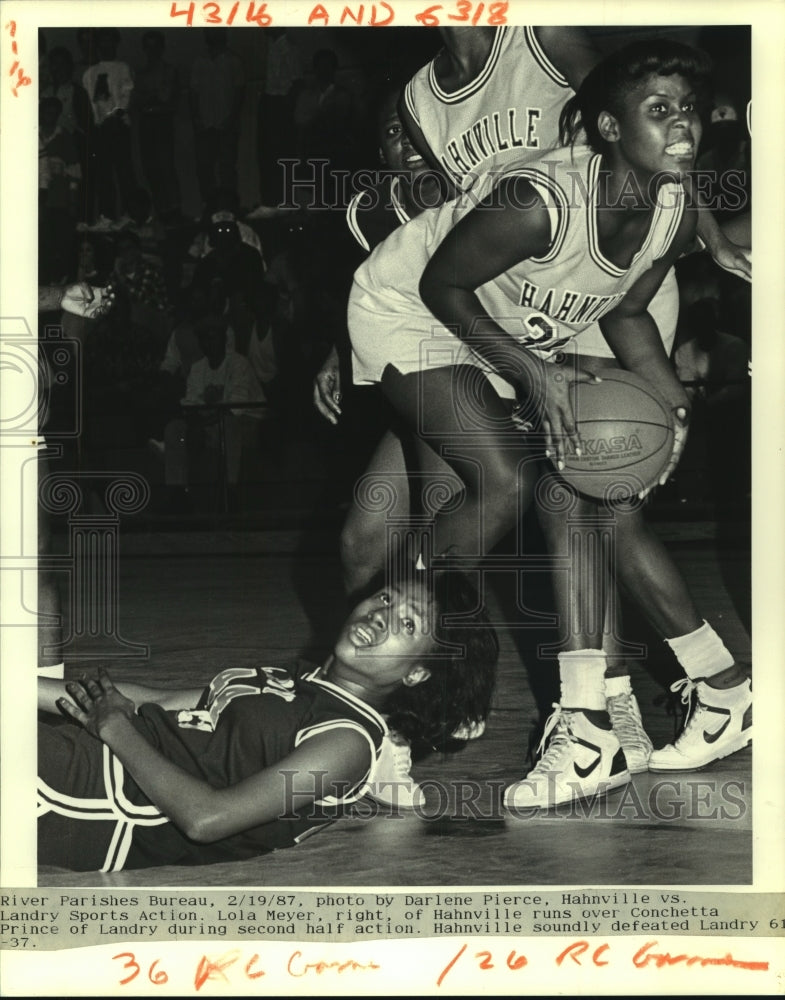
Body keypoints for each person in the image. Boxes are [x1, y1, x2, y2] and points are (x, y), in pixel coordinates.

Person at [347, 39, 751, 809]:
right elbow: (441, 285)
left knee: (577, 494)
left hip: (513, 327)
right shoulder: (538, 200)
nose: (682, 129)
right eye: (657, 112)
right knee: (500, 481)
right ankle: (379, 694)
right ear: (603, 126)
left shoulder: (667, 208)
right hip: (415, 314)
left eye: (689, 111)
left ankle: (590, 720)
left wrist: (671, 406)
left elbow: (627, 313)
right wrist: (536, 373)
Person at [37, 570, 498, 871]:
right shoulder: (295, 679)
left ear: (417, 673)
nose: (380, 617)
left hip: (80, 799)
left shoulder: (347, 744)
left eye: (408, 624)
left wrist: (114, 728)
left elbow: (207, 820)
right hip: (82, 758)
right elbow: (150, 700)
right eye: (384, 597)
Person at [189, 29, 245, 201]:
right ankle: (210, 207)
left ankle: (230, 207)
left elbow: (239, 92)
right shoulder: (199, 61)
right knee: (205, 169)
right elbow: (193, 93)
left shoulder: (234, 60)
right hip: (205, 124)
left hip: (226, 124)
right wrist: (197, 119)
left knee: (227, 168)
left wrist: (232, 119)